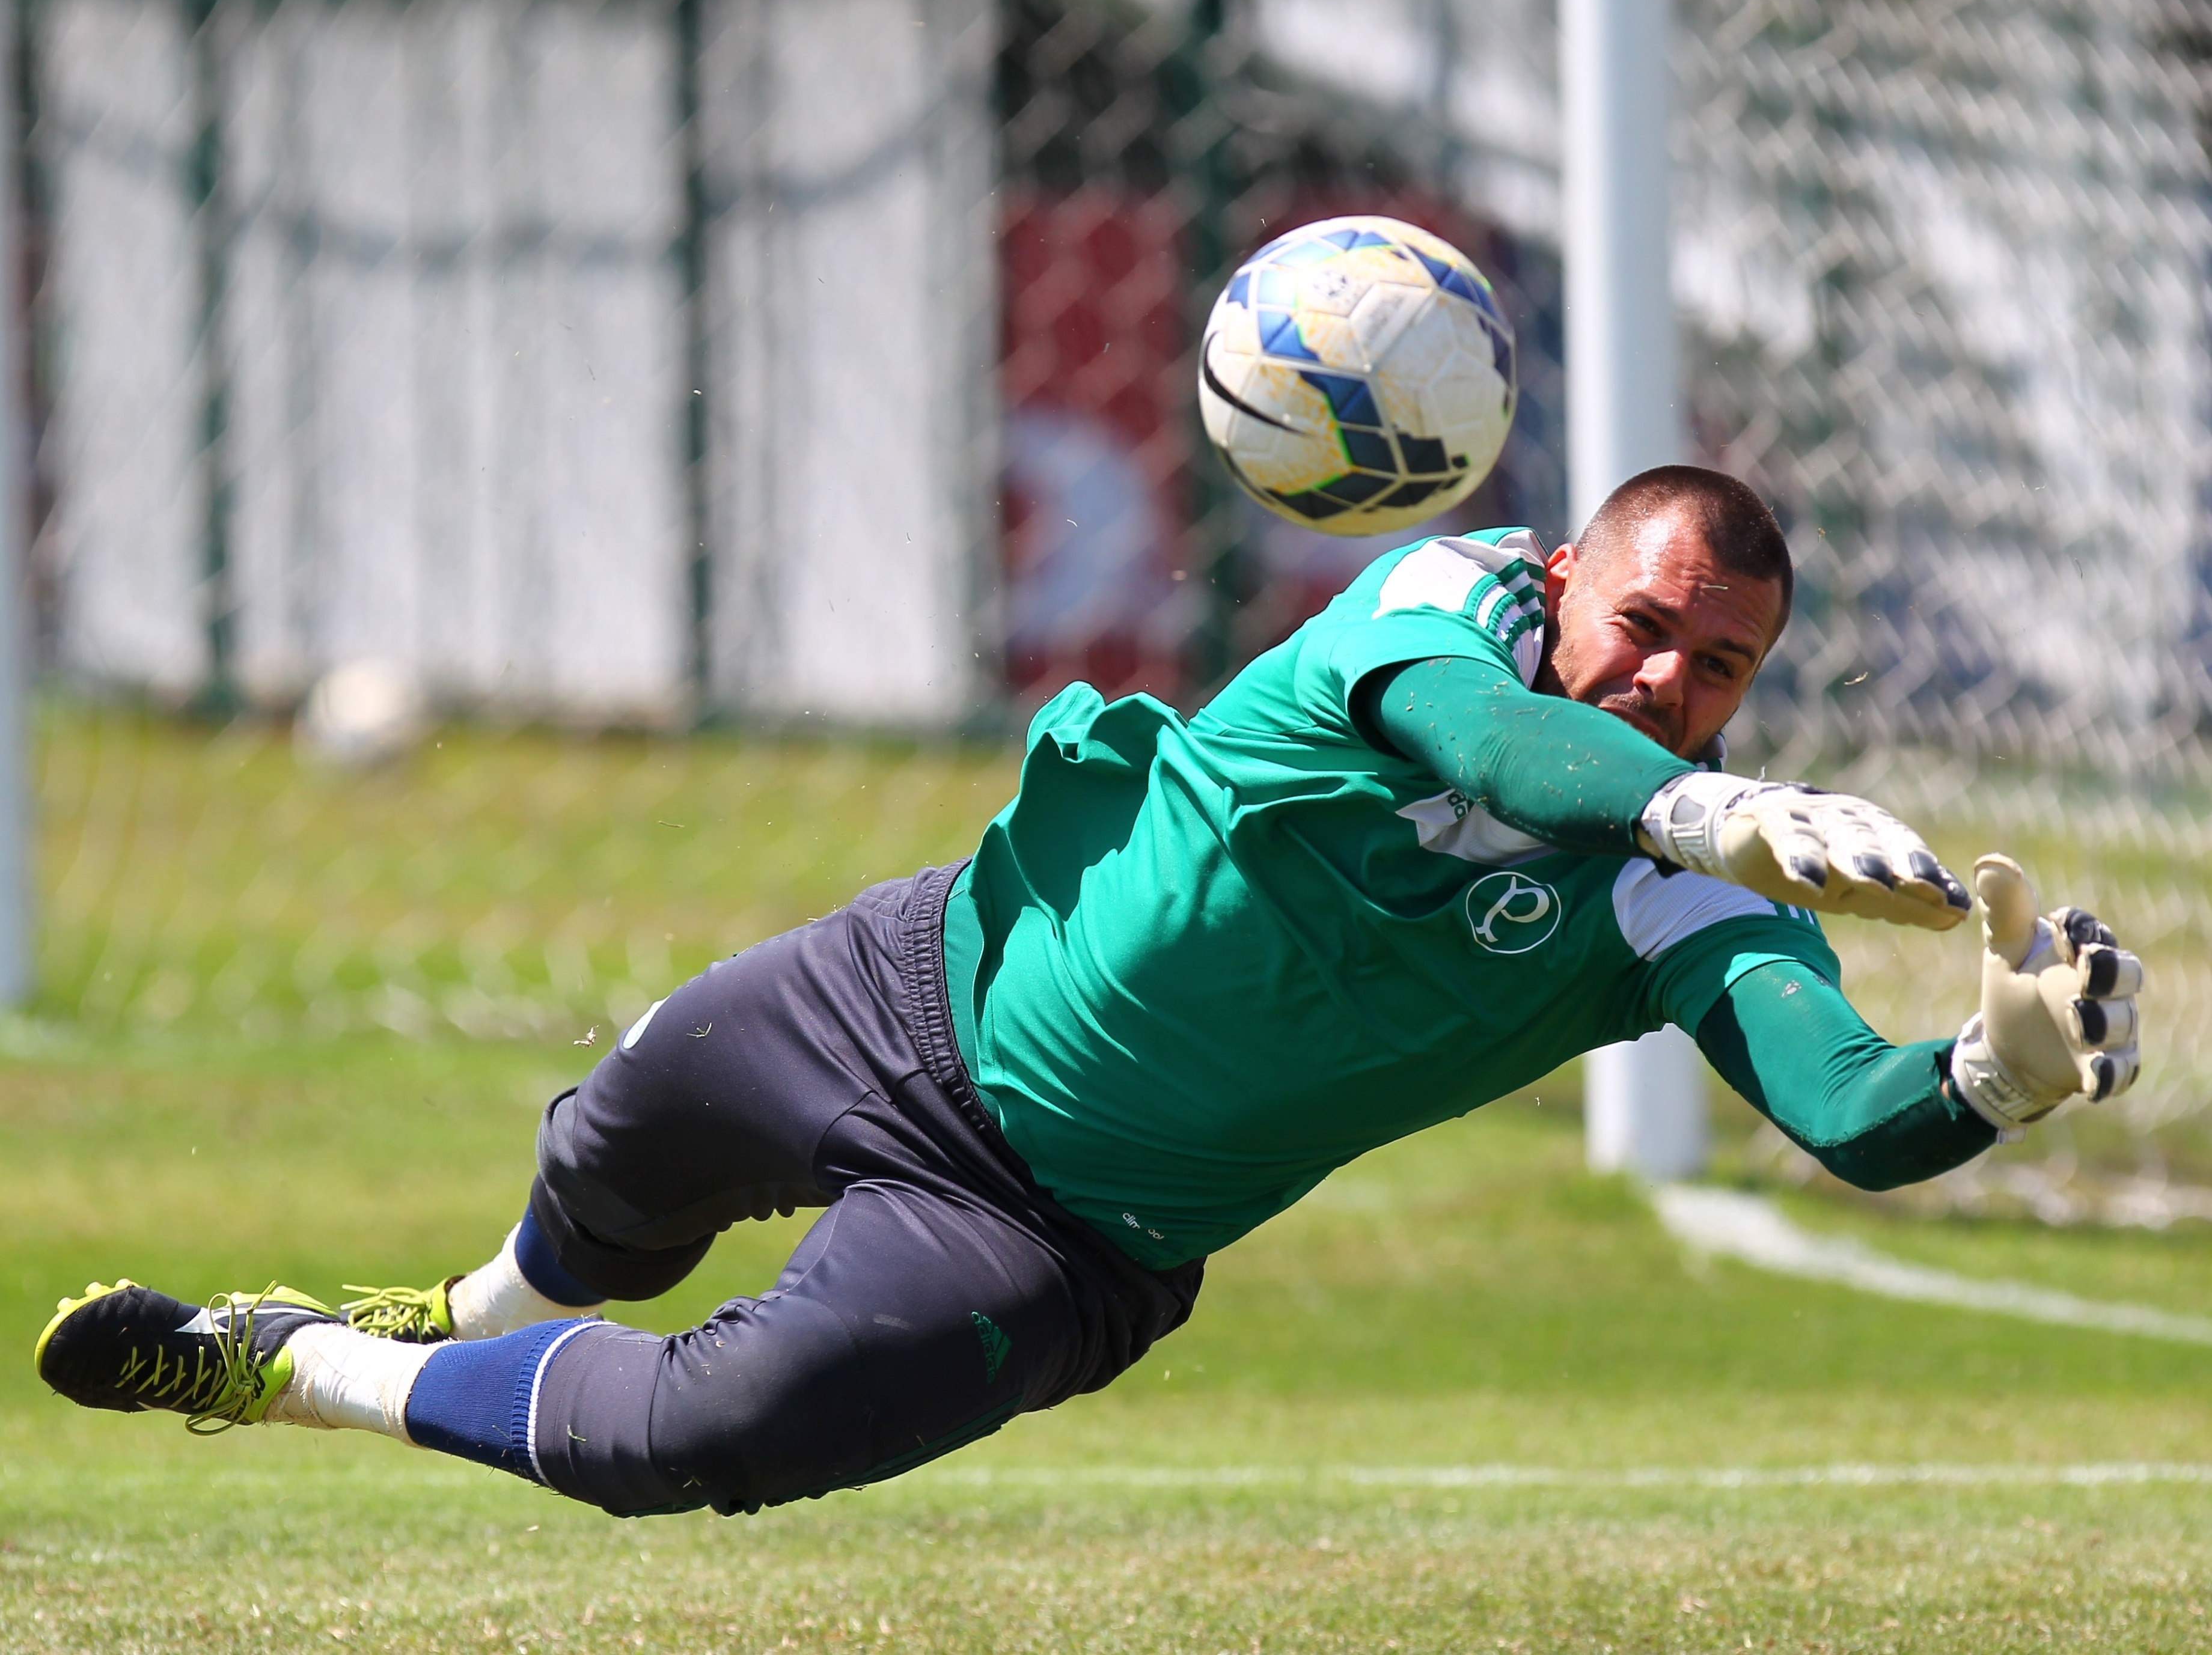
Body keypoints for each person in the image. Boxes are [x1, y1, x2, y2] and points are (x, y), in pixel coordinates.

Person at [35, 465, 2142, 1517]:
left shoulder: (1684, 896)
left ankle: (295, 1369)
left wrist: (1989, 1066)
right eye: (1650, 627)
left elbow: (1854, 1114)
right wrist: (1717, 805)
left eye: (1724, 671)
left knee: (699, 1441)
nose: (1670, 688)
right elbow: (1510, 754)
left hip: (1059, 1237)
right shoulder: (1435, 604)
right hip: (919, 981)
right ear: (1567, 575)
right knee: (608, 1149)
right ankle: (470, 1304)